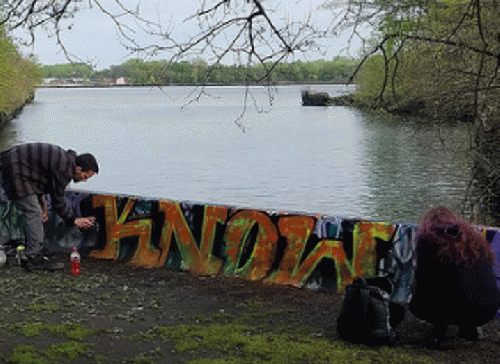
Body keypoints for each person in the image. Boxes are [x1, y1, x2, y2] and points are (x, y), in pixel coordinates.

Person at [0, 142, 99, 271]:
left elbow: (39, 180)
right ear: (78, 169)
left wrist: (44, 206)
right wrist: (74, 220)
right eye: (85, 176)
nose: (84, 180)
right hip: (14, 169)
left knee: (36, 211)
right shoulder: (64, 169)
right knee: (34, 212)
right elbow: (58, 201)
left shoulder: (65, 161)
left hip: (16, 165)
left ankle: (34, 250)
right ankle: (34, 258)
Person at [410, 206, 500, 342]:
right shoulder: (475, 239)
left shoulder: (427, 240)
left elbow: (423, 281)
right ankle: (469, 327)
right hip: (487, 311)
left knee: (423, 293)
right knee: (464, 284)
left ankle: (440, 328)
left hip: (448, 309)